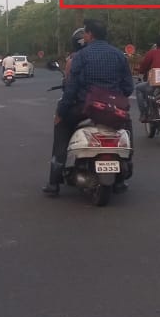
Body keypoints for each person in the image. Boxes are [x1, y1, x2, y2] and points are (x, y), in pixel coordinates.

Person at [44, 19, 134, 196]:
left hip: (85, 108)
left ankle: (54, 182)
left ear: (90, 34)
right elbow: (128, 87)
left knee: (61, 128)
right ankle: (122, 178)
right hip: (113, 109)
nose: (84, 36)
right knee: (127, 128)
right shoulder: (118, 55)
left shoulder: (81, 56)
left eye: (85, 32)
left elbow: (71, 89)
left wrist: (60, 112)